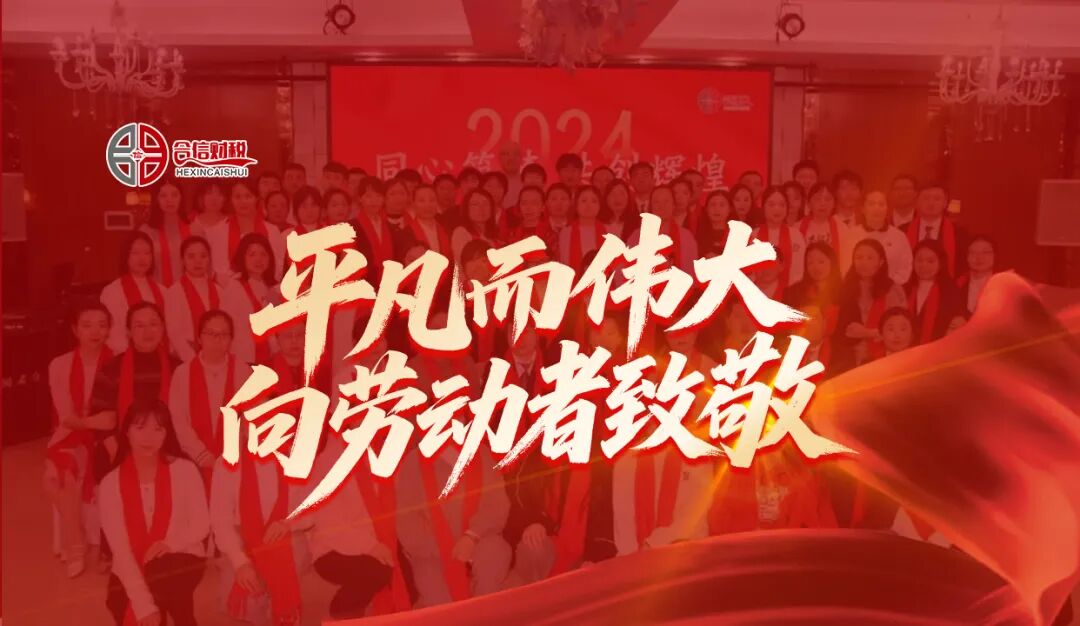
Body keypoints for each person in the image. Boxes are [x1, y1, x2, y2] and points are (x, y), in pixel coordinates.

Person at [397, 343, 511, 607]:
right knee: (441, 602)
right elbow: (405, 519)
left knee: (494, 559)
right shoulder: (413, 463)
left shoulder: (482, 454)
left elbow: (498, 505)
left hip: (480, 541)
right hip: (432, 552)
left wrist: (471, 537)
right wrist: (442, 546)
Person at [100, 400, 209, 626]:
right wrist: (143, 606)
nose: (149, 437)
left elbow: (202, 524)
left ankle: (184, 619)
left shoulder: (185, 470)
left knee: (165, 579)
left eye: (158, 429)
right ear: (127, 431)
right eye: (140, 428)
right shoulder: (110, 484)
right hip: (132, 562)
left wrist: (170, 543)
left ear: (166, 434)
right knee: (117, 602)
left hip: (182, 553)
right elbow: (120, 548)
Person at [45, 303, 114, 578]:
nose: (95, 332)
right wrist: (94, 421)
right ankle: (76, 540)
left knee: (69, 473)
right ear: (75, 330)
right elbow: (67, 417)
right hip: (70, 435)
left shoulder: (117, 361)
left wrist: (92, 423)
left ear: (109, 329)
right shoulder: (59, 365)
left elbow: (115, 419)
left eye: (101, 325)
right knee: (53, 477)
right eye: (86, 325)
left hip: (106, 437)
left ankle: (77, 544)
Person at [168, 310, 250, 485]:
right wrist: (202, 455)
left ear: (231, 339)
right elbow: (178, 421)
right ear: (199, 338)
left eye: (224, 334)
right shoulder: (183, 373)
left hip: (235, 460)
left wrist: (232, 453)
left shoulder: (243, 371)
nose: (217, 340)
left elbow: (248, 419)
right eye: (211, 333)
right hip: (193, 461)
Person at [832, 238, 906, 370]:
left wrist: (867, 332)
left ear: (881, 262)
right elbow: (845, 330)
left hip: (886, 356)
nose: (864, 262)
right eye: (859, 257)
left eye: (870, 258)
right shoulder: (844, 289)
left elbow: (901, 327)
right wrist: (874, 333)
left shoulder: (892, 289)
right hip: (850, 358)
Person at [206, 179, 285, 283]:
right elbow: (213, 268)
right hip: (226, 288)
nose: (243, 201)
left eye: (248, 196)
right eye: (237, 197)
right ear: (231, 200)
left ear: (256, 199)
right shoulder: (217, 232)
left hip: (264, 287)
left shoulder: (272, 231)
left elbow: (279, 267)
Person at [101, 232, 166, 353]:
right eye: (135, 253)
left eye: (147, 253)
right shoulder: (112, 291)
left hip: (160, 354)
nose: (142, 258)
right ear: (126, 256)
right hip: (125, 354)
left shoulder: (163, 291)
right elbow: (113, 333)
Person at [164, 236, 223, 363]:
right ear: (182, 260)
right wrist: (193, 360)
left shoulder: (219, 291)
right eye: (191, 256)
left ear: (209, 259)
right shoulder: (174, 292)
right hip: (185, 359)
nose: (198, 261)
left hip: (218, 357)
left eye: (203, 256)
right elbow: (174, 332)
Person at [221, 233, 276, 365]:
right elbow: (226, 326)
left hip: (271, 357)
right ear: (242, 257)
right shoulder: (234, 287)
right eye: (252, 254)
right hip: (243, 357)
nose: (258, 259)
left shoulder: (273, 288)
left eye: (263, 254)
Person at [629, 185, 698, 273]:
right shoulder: (637, 237)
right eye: (656, 202)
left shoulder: (686, 237)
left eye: (666, 201)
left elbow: (691, 271)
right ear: (651, 207)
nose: (661, 206)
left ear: (673, 205)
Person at [850, 190, 912, 285]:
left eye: (881, 204)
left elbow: (905, 267)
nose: (876, 208)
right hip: (857, 288)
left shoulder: (899, 236)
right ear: (862, 209)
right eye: (871, 204)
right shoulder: (851, 234)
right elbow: (844, 266)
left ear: (887, 209)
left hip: (891, 288)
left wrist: (888, 286)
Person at [353, 177, 408, 285]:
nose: (374, 201)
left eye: (378, 196)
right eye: (369, 196)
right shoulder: (351, 227)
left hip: (389, 285)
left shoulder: (391, 228)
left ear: (384, 199)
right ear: (360, 198)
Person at [906, 239, 961, 345]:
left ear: (941, 263)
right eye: (919, 260)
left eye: (930, 261)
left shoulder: (950, 292)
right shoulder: (905, 289)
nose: (924, 265)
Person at [907, 183, 967, 277]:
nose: (931, 203)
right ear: (917, 202)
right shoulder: (903, 231)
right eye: (926, 198)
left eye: (937, 199)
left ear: (945, 203)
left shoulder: (959, 233)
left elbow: (962, 266)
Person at [140, 178, 191, 287]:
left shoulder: (194, 228)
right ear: (156, 199)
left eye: (174, 195)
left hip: (188, 291)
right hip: (155, 290)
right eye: (163, 196)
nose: (169, 200)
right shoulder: (146, 231)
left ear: (181, 198)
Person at [756, 186, 806, 286]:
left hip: (790, 291)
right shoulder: (754, 235)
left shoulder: (796, 235)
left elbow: (800, 270)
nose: (777, 209)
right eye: (771, 204)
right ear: (763, 207)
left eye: (782, 205)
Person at [557, 185, 605, 268]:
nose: (588, 205)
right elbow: (563, 262)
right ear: (576, 205)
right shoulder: (566, 232)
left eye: (594, 201)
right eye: (584, 201)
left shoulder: (607, 231)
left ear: (600, 206)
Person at [799, 183, 848, 261]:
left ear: (834, 203)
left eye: (828, 199)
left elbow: (845, 258)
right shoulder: (797, 228)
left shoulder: (842, 228)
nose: (823, 203)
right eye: (818, 199)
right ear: (808, 203)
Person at [451, 188, 499, 263]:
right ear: (466, 208)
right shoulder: (461, 233)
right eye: (475, 204)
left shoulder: (494, 235)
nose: (481, 209)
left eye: (485, 204)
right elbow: (462, 265)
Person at [406, 184, 452, 257]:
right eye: (421, 201)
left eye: (432, 200)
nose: (427, 205)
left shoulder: (445, 228)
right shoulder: (407, 232)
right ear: (413, 204)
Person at [958, 236, 995, 316]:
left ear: (995, 255)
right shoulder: (958, 284)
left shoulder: (1003, 285)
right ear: (966, 257)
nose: (979, 257)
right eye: (973, 253)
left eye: (985, 252)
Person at [695, 189, 733, 257]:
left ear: (730, 209)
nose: (717, 209)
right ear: (706, 209)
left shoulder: (737, 234)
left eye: (722, 205)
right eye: (713, 205)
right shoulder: (697, 234)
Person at [498, 140, 524, 209]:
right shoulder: (489, 185)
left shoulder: (528, 183)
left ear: (522, 158)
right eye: (506, 154)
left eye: (516, 154)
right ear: (499, 158)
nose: (511, 158)